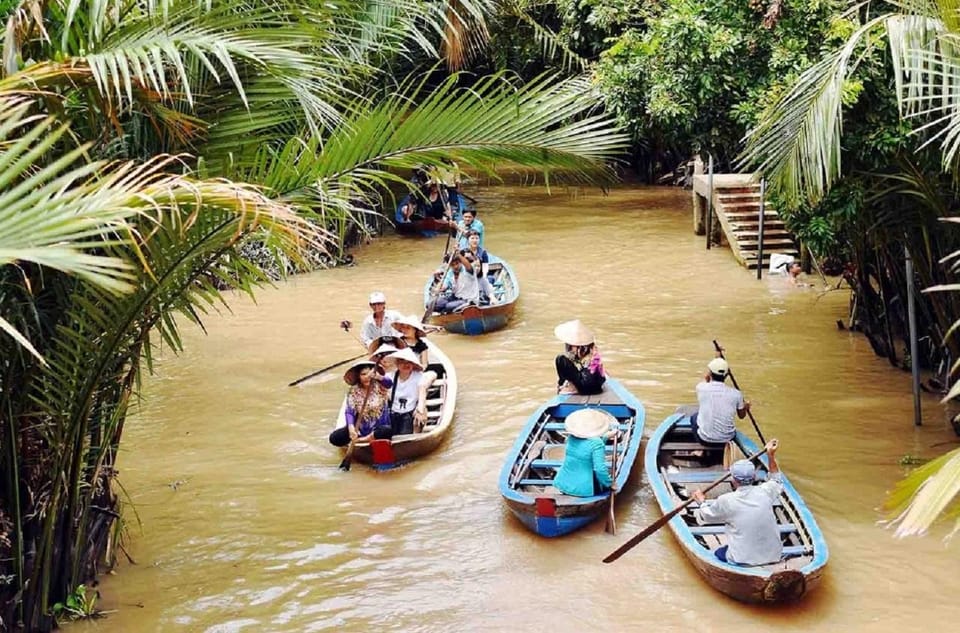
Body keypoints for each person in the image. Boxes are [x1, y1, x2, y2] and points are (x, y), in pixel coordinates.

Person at [691, 439, 783, 566]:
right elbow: (776, 478)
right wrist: (770, 455)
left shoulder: (727, 500)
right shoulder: (765, 491)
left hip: (742, 560)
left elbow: (707, 516)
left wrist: (701, 502)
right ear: (754, 477)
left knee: (719, 554)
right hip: (774, 555)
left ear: (734, 480)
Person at [328, 360, 394, 447]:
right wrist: (351, 428)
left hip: (378, 429)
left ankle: (363, 440)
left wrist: (378, 377)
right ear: (358, 377)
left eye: (369, 374)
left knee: (386, 431)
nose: (367, 377)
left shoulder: (380, 386)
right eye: (363, 374)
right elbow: (349, 412)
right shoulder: (354, 391)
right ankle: (358, 438)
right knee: (335, 438)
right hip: (360, 429)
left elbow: (389, 383)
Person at [553, 408, 616, 497]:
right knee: (602, 479)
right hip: (584, 489)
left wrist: (605, 437)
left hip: (564, 484)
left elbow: (587, 444)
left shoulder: (571, 437)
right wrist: (610, 483)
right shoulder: (597, 443)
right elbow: (599, 469)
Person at [690, 357, 750, 447]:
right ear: (726, 376)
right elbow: (741, 416)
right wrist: (746, 407)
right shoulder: (737, 394)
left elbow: (707, 382)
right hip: (728, 440)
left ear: (709, 374)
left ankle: (701, 449)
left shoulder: (701, 387)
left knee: (694, 417)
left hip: (705, 440)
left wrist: (707, 379)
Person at [384, 348, 437, 435]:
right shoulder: (390, 377)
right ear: (397, 364)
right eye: (402, 362)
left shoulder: (419, 377)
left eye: (408, 362)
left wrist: (420, 409)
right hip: (392, 414)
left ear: (413, 364)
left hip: (410, 414)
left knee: (407, 433)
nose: (406, 365)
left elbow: (433, 374)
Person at [553, 320, 606, 395]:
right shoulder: (592, 348)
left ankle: (569, 387)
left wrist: (560, 383)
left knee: (560, 359)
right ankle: (569, 385)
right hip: (597, 388)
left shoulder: (577, 349)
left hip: (585, 387)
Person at [461, 230, 496, 304]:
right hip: (468, 276)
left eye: (477, 238)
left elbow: (485, 267)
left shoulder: (483, 252)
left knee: (489, 280)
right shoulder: (463, 252)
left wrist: (484, 276)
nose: (475, 240)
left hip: (479, 275)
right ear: (468, 240)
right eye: (472, 238)